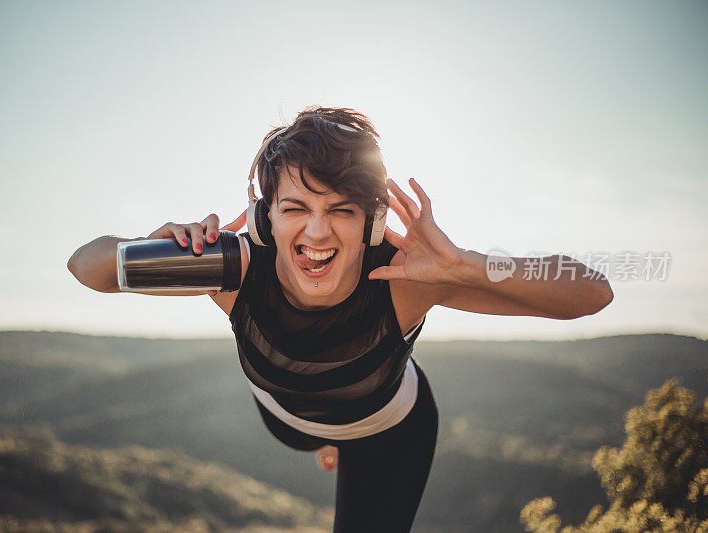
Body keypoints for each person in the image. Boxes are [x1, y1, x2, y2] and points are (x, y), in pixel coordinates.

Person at [67, 106, 614, 532]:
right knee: (306, 433)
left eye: (341, 211)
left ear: (373, 222)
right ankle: (326, 440)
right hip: (287, 416)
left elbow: (592, 293)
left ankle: (339, 440)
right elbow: (86, 267)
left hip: (388, 429)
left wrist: (464, 265)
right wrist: (153, 244)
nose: (317, 233)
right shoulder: (232, 269)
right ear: (265, 217)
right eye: (296, 208)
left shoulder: (407, 279)